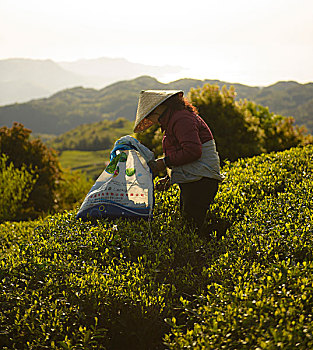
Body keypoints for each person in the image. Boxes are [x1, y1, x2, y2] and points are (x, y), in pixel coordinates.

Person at [133, 90, 225, 237]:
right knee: (189, 224)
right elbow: (182, 155)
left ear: (159, 108)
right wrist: (170, 178)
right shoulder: (174, 120)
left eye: (151, 115)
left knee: (191, 229)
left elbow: (192, 151)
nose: (153, 120)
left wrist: (164, 163)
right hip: (194, 179)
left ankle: (198, 257)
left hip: (200, 181)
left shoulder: (181, 119)